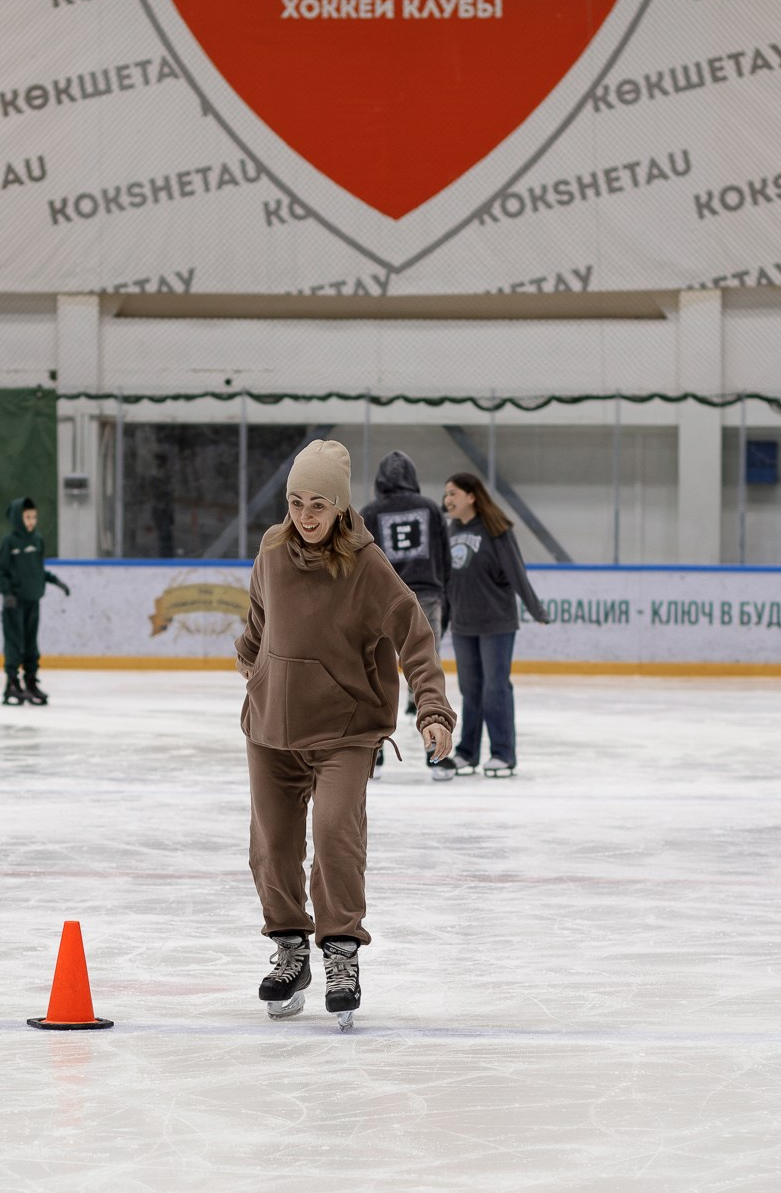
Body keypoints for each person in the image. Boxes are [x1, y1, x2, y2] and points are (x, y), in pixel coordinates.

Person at [234, 440, 455, 1029]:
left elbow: (415, 635)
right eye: (295, 502)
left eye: (318, 504)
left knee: (335, 833)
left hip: (344, 731)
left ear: (340, 507)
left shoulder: (367, 566)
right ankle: (290, 949)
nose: (305, 516)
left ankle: (340, 950)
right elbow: (257, 616)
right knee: (274, 847)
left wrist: (432, 709)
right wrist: (253, 665)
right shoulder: (274, 550)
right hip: (272, 727)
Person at [443, 472, 548, 777]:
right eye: (447, 494)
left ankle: (503, 753)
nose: (448, 500)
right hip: (463, 624)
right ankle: (467, 753)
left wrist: (535, 608)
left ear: (471, 496)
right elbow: (448, 582)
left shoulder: (496, 530)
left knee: (495, 688)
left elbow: (517, 573)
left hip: (496, 624)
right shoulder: (449, 531)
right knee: (470, 690)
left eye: (454, 494)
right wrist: (442, 623)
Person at [361, 450, 456, 780]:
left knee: (375, 675)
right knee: (428, 670)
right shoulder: (430, 508)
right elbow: (444, 557)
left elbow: (361, 560)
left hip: (382, 600)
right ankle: (438, 755)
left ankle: (374, 752)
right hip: (427, 596)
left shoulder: (370, 512)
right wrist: (445, 596)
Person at [0, 497, 70, 706]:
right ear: (18, 518)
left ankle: (30, 681)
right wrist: (7, 593)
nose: (31, 521)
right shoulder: (9, 543)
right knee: (14, 642)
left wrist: (55, 581)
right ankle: (11, 682)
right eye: (27, 517)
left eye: (34, 517)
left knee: (30, 643)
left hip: (33, 599)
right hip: (14, 602)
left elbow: (37, 569)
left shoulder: (37, 540)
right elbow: (1, 572)